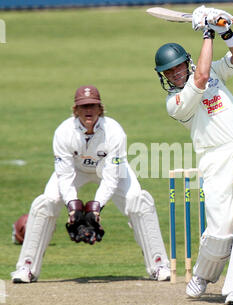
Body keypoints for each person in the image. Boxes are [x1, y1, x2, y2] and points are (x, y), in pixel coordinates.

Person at [154, 6, 233, 305]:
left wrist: (226, 33)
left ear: (186, 63)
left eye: (179, 67)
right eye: (169, 72)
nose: (175, 74)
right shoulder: (175, 102)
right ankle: (203, 276)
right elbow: (201, 77)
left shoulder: (215, 70)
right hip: (215, 161)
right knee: (220, 234)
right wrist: (207, 30)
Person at [11, 85, 170, 283]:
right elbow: (65, 175)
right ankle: (27, 268)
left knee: (139, 201)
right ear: (75, 110)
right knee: (46, 202)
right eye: (83, 106)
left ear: (100, 109)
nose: (88, 110)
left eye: (93, 106)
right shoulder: (63, 132)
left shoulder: (114, 131)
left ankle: (159, 264)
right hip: (75, 170)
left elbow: (112, 177)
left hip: (108, 168)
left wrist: (95, 208)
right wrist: (72, 206)